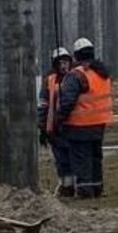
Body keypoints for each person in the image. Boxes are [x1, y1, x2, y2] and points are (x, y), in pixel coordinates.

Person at [54, 36, 113, 199]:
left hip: (80, 124)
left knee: (81, 158)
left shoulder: (77, 75)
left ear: (76, 55)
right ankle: (97, 188)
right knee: (95, 157)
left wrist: (59, 119)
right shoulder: (102, 73)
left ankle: (85, 190)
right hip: (99, 122)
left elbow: (67, 101)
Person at [38, 47, 76, 197]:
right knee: (61, 160)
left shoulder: (74, 77)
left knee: (73, 158)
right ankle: (66, 186)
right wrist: (42, 127)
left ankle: (73, 185)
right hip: (54, 129)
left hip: (72, 126)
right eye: (60, 63)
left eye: (66, 62)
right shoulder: (49, 80)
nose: (63, 66)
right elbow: (43, 104)